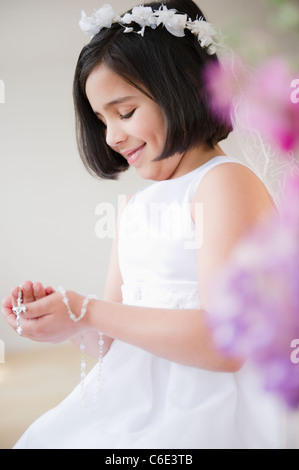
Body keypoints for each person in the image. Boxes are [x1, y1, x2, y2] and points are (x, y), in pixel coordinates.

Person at [2, 0, 283, 449]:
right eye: (102, 120)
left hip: (202, 408)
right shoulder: (135, 205)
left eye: (125, 112)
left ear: (183, 89)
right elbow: (114, 343)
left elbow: (224, 343)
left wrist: (86, 308)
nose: (112, 137)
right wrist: (66, 319)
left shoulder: (223, 183)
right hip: (136, 402)